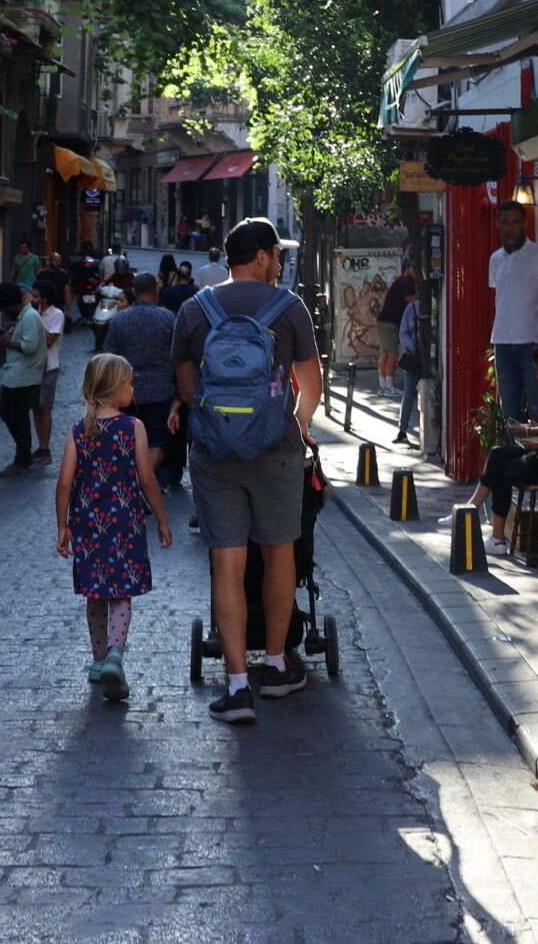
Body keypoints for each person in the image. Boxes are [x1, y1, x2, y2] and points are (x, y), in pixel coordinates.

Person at [173, 217, 321, 726]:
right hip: (277, 450)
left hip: (216, 457)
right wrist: (295, 425)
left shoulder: (196, 308)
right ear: (260, 256)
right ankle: (276, 667)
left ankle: (237, 686)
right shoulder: (290, 308)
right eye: (276, 255)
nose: (279, 264)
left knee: (226, 563)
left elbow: (188, 385)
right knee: (281, 553)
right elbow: (311, 384)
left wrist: (221, 426)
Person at [55, 352, 172, 703]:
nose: (133, 388)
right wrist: (163, 520)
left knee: (95, 593)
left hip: (87, 525)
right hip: (125, 523)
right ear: (116, 388)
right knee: (121, 593)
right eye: (129, 383)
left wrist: (63, 526)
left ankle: (97, 661)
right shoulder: (132, 427)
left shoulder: (79, 429)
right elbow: (147, 479)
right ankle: (115, 657)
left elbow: (63, 483)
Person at [458, 345, 538, 546]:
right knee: (497, 454)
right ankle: (473, 512)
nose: (537, 376)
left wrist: (526, 431)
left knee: (501, 472)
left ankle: (492, 534)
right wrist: (536, 428)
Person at [102, 272, 183, 491]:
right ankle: (141, 480)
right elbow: (178, 357)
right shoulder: (168, 319)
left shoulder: (119, 320)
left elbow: (109, 357)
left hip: (127, 391)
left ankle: (133, 479)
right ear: (156, 291)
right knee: (158, 439)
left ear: (134, 292)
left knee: (129, 439)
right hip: (161, 390)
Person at [488, 202, 538, 422]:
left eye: (515, 222)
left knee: (537, 407)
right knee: (509, 412)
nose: (510, 228)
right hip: (502, 341)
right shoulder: (495, 259)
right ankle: (518, 456)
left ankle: (537, 456)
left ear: (524, 224)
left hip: (531, 343)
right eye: (505, 222)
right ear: (498, 224)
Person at [0, 282, 49, 474]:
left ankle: (23, 459)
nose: (3, 312)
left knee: (16, 416)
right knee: (10, 413)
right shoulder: (26, 316)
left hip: (23, 375)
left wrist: (7, 343)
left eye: (4, 308)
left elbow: (29, 347)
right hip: (19, 374)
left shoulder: (29, 317)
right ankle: (23, 456)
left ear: (12, 304)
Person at [36, 277, 68, 461]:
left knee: (45, 407)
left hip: (49, 366)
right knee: (36, 407)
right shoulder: (33, 314)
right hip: (34, 367)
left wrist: (35, 323)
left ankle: (45, 447)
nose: (32, 299)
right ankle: (40, 446)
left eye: (36, 296)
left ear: (45, 298)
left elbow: (50, 340)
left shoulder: (56, 315)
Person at [375, 262, 418, 395]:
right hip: (390, 324)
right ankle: (388, 387)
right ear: (409, 268)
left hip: (383, 321)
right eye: (415, 268)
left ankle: (383, 387)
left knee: (385, 354)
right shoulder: (405, 283)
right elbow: (414, 303)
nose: (417, 272)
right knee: (392, 355)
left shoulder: (401, 281)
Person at [392, 292, 423, 445]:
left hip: (431, 359)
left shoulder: (438, 307)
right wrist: (411, 348)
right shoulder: (412, 309)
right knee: (409, 394)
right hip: (413, 358)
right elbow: (403, 332)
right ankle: (402, 430)